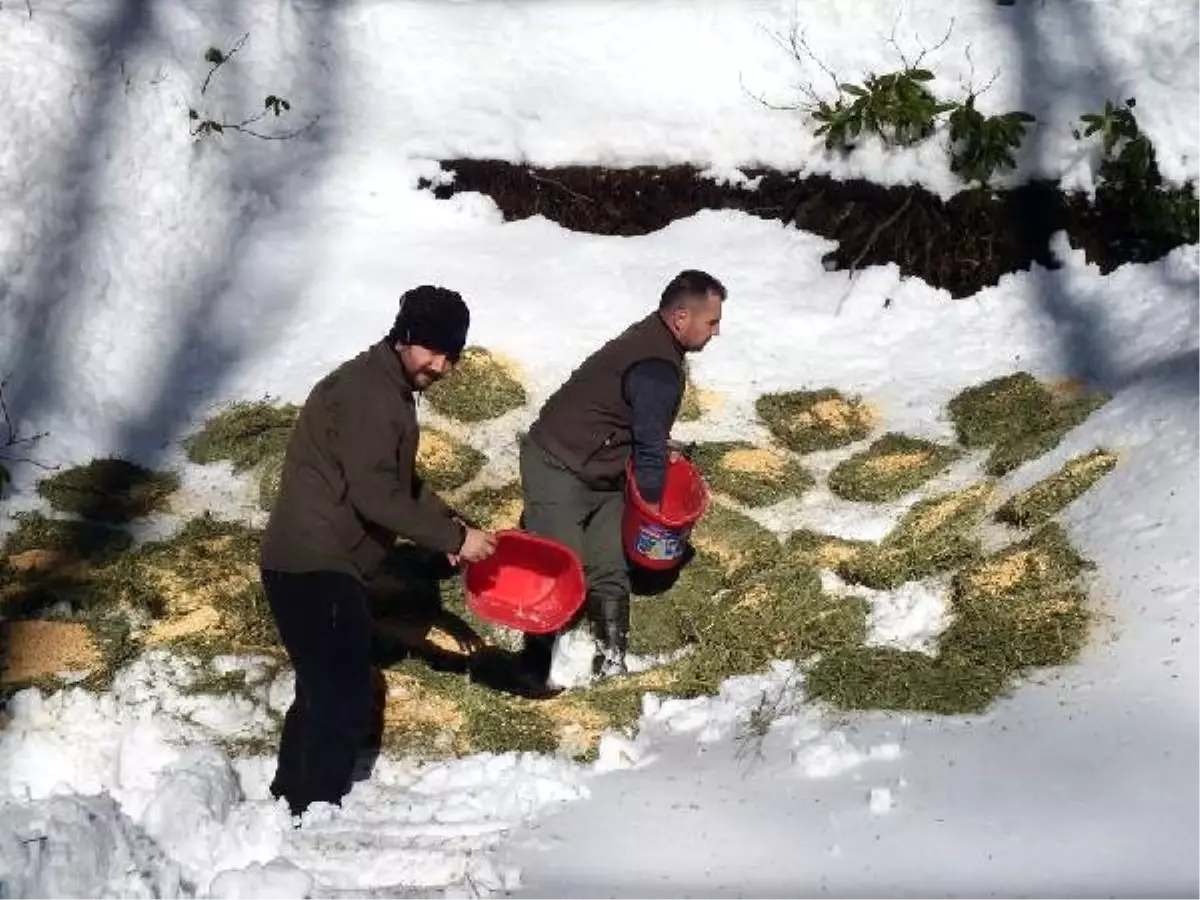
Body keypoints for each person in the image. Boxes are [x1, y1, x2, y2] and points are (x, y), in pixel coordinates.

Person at [259, 285, 497, 818]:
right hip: (314, 562)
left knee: (325, 687)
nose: (441, 365)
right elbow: (375, 495)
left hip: (316, 559)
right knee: (342, 694)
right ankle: (313, 809)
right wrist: (455, 540)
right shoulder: (371, 395)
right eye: (432, 350)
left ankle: (288, 804)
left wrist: (449, 524)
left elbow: (397, 482)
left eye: (451, 355)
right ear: (404, 337)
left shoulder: (381, 387)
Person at [517, 269, 725, 686]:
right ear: (681, 318)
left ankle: (611, 661)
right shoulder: (656, 367)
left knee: (609, 565)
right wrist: (653, 507)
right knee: (563, 564)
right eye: (712, 322)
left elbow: (641, 428)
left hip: (605, 467)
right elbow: (648, 443)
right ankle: (533, 668)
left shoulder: (654, 342)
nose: (717, 332)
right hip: (560, 461)